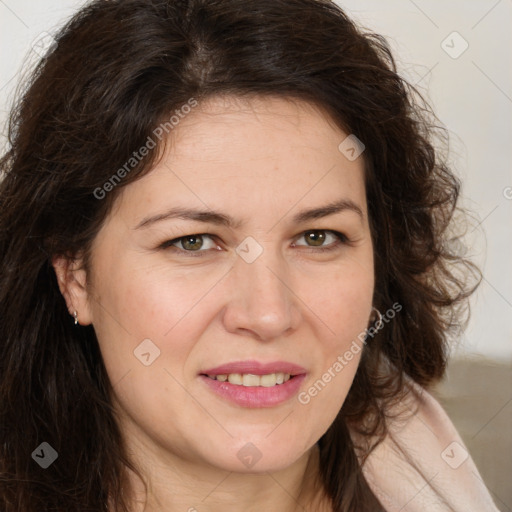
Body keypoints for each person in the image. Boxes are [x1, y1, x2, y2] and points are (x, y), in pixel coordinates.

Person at [0, 0, 500, 511]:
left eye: (318, 237)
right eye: (192, 242)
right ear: (74, 275)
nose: (268, 314)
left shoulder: (446, 477)